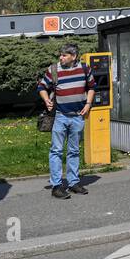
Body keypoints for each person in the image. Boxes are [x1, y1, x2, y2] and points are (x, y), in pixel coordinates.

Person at [37, 44, 96, 200]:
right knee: (56, 150)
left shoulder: (85, 68)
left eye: (64, 55)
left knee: (74, 150)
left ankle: (73, 183)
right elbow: (41, 86)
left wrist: (88, 104)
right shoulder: (54, 70)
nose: (60, 58)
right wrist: (46, 100)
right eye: (60, 55)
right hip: (60, 116)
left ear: (73, 56)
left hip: (78, 116)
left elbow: (91, 87)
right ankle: (56, 186)